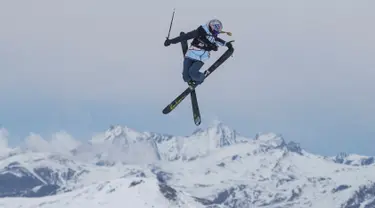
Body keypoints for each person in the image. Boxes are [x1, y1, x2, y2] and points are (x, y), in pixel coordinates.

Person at [164, 19, 233, 86]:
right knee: (185, 78)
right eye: (215, 32)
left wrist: (226, 44)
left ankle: (201, 77)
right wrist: (170, 41)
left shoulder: (213, 36)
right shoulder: (199, 31)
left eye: (217, 32)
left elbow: (218, 40)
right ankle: (191, 81)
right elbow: (185, 36)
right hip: (190, 55)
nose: (215, 34)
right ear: (211, 27)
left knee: (192, 73)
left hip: (201, 58)